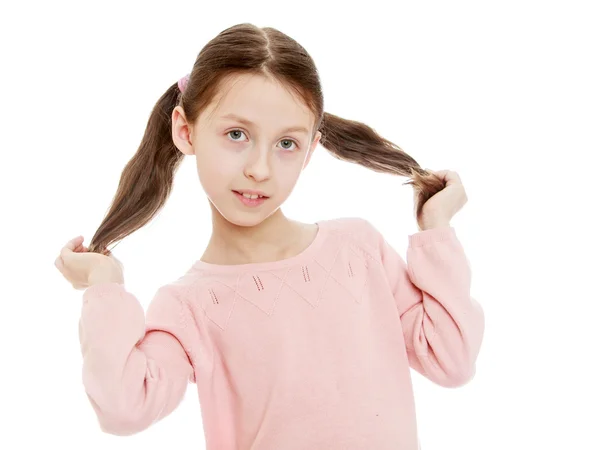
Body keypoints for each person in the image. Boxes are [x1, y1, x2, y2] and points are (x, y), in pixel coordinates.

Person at [54, 23, 485, 450]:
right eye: (236, 135)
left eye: (286, 144)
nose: (259, 169)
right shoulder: (188, 306)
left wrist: (437, 229)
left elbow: (452, 359)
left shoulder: (358, 249)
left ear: (310, 151)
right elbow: (123, 408)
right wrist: (104, 288)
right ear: (186, 131)